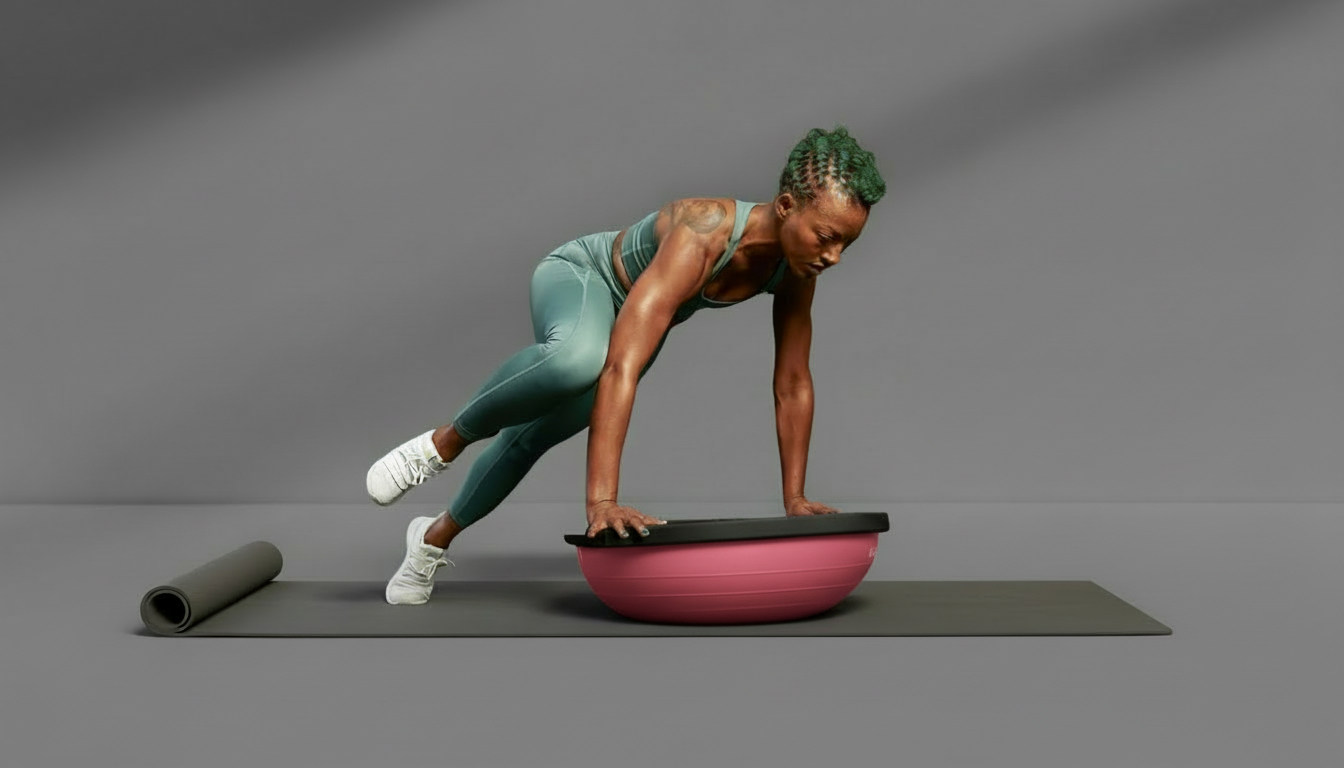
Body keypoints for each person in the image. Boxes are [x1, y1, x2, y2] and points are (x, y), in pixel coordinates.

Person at [368, 125, 887, 604]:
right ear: (787, 205)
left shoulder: (797, 271)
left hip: (638, 326)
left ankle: (430, 540)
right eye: (826, 236)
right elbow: (619, 368)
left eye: (847, 243)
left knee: (531, 439)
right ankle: (444, 443)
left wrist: (794, 497)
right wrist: (602, 503)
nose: (834, 256)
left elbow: (793, 383)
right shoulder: (703, 230)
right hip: (585, 277)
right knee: (577, 360)